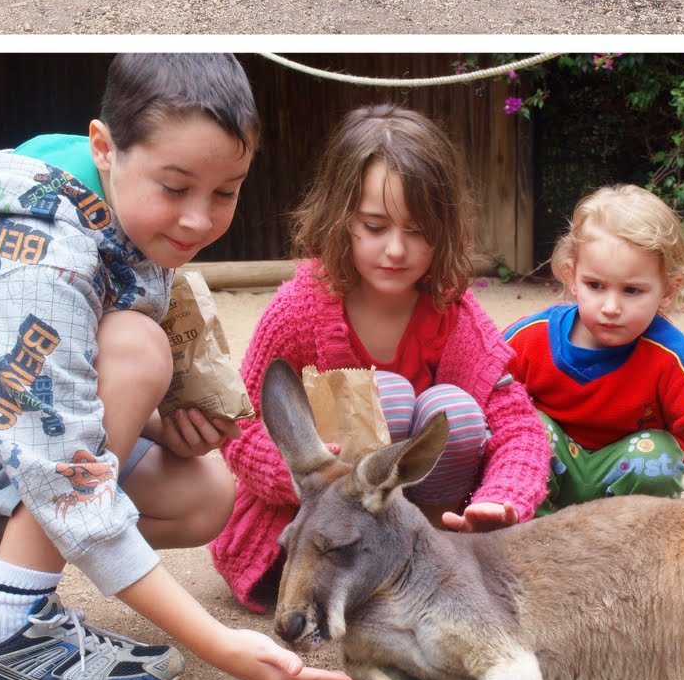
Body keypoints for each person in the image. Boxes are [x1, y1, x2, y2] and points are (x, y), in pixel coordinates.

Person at [0, 53, 352, 680]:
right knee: (137, 351)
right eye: (175, 188)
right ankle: (2, 630)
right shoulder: (43, 259)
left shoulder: (108, 197)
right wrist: (216, 643)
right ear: (105, 147)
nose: (198, 221)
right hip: (13, 445)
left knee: (201, 493)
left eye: (225, 192)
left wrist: (158, 424)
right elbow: (64, 479)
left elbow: (41, 398)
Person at [209, 103, 552, 611]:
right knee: (382, 397)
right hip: (318, 535)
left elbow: (516, 423)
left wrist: (503, 497)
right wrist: (303, 471)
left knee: (454, 411)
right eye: (375, 227)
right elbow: (241, 422)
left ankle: (418, 569)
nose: (396, 250)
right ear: (341, 219)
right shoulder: (300, 309)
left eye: (418, 231)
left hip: (426, 533)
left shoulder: (452, 310)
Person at [505, 185, 684, 512]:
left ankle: (631, 541)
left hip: (627, 500)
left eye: (632, 290)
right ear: (572, 277)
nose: (610, 307)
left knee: (658, 452)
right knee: (528, 426)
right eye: (595, 285)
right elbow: (480, 383)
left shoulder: (667, 354)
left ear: (667, 291)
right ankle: (532, 535)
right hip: (543, 485)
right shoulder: (531, 338)